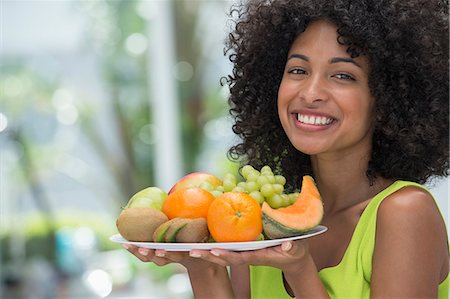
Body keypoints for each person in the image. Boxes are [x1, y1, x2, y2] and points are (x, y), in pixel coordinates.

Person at [123, 0, 449, 298]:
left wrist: (300, 270)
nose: (310, 93)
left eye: (342, 75)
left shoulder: (405, 213)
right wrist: (200, 263)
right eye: (298, 70)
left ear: (388, 98)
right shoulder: (259, 219)